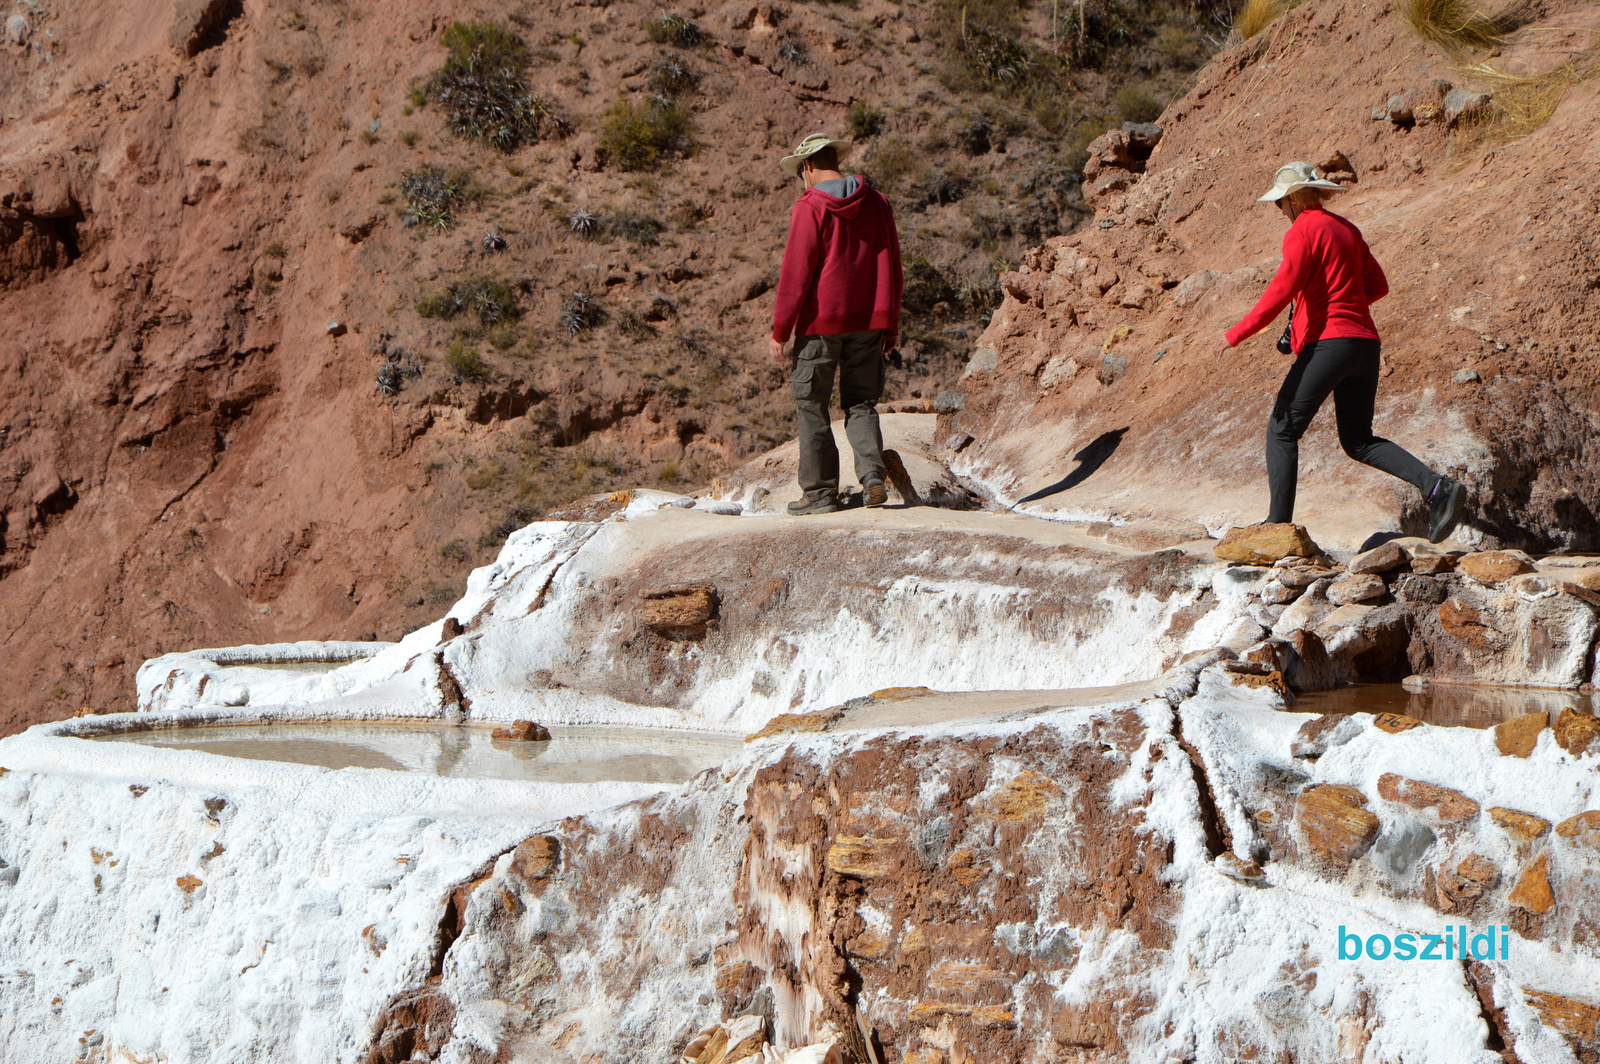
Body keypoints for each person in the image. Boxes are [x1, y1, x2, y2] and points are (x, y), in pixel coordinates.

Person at [1211, 161, 1466, 543]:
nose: (1279, 210)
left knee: (1281, 429)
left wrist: (1235, 334)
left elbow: (1280, 289)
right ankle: (1437, 488)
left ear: (1296, 198)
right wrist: (1339, 298)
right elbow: (1377, 285)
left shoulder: (1303, 229)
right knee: (1359, 440)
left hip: (1328, 344)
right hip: (1365, 345)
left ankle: (1277, 526)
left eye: (1280, 203)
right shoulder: (1347, 228)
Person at [770, 133, 904, 515]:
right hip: (869, 322)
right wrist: (890, 325)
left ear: (808, 167)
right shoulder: (878, 203)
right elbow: (893, 265)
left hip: (820, 326)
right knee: (861, 401)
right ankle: (873, 479)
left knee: (812, 404)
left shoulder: (809, 207)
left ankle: (819, 494)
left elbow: (795, 274)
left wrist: (781, 332)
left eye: (800, 173)